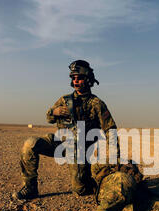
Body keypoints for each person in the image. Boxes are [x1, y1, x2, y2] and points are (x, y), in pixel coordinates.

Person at [13, 60, 118, 200]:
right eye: (73, 78)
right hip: (61, 143)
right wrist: (54, 112)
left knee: (80, 189)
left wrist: (114, 155)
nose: (76, 81)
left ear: (88, 79)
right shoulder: (64, 100)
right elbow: (49, 118)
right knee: (30, 144)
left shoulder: (96, 104)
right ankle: (30, 188)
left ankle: (96, 183)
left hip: (81, 149)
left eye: (79, 78)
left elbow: (110, 129)